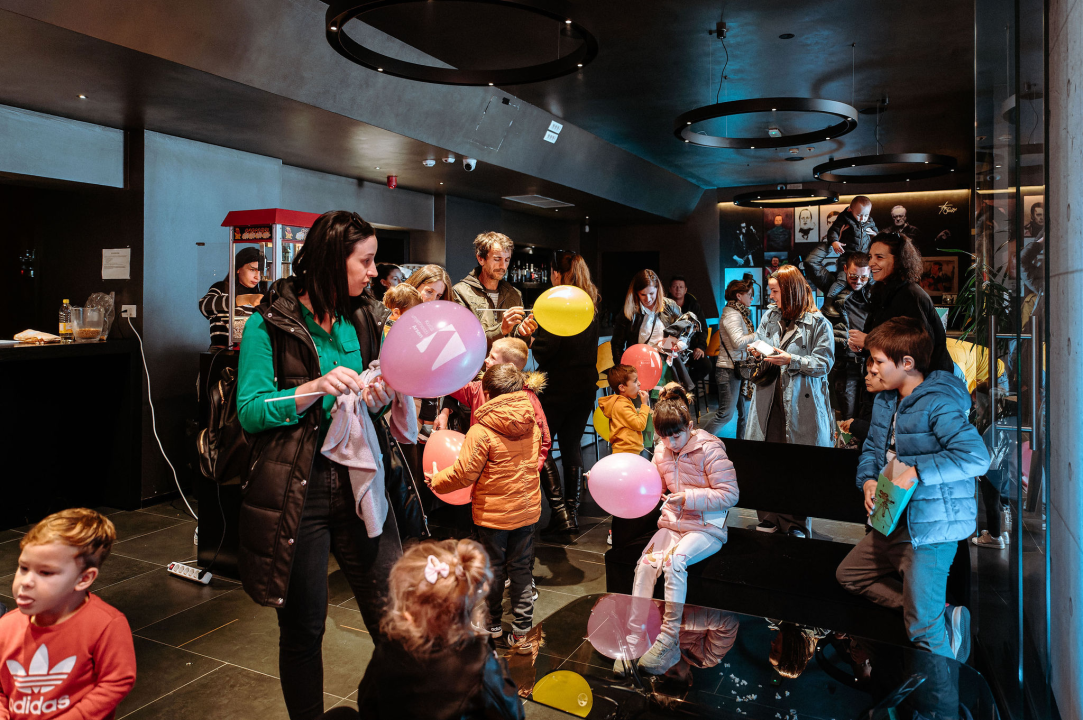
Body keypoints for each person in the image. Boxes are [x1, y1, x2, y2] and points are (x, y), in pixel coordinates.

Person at [236, 211, 402, 720]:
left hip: (360, 483)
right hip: (298, 490)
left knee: (396, 624)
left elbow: (371, 400)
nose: (373, 272)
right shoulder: (267, 325)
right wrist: (309, 389)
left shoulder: (364, 318)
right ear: (333, 259)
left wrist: (380, 399)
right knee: (303, 629)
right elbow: (250, 412)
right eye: (365, 261)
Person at [836, 318, 990, 661]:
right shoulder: (886, 400)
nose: (870, 368)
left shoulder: (938, 402)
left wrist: (917, 471)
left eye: (878, 361)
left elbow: (977, 457)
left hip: (931, 527)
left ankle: (946, 688)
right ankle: (937, 612)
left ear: (907, 363)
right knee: (849, 576)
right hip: (893, 519)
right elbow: (872, 449)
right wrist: (869, 480)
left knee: (921, 630)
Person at [616, 384, 739, 676]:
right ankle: (635, 638)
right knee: (646, 564)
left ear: (689, 426)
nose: (671, 442)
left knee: (675, 562)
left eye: (676, 435)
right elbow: (653, 485)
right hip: (673, 523)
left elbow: (730, 494)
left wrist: (688, 498)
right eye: (664, 436)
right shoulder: (661, 451)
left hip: (706, 527)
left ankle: (668, 639)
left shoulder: (709, 449)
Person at [428, 364, 542, 654]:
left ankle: (492, 625)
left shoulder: (480, 430)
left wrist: (437, 480)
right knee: (521, 570)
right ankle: (522, 633)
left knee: (493, 569)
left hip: (493, 514)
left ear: (487, 394)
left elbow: (465, 473)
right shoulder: (532, 422)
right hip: (527, 509)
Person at [350, 539, 524, 720]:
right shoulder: (478, 663)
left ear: (407, 613)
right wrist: (499, 664)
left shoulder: (388, 649)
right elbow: (513, 714)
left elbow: (366, 705)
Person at [1, 509, 136, 719]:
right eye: (24, 568)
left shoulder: (106, 624)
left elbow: (117, 681)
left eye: (46, 572)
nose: (25, 582)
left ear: (84, 579)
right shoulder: (5, 626)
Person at [746, 266, 834, 537]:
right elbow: (761, 344)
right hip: (768, 400)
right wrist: (757, 352)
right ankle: (768, 517)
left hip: (800, 403)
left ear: (790, 290)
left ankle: (795, 521)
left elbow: (824, 363)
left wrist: (791, 360)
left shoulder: (818, 323)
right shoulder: (769, 316)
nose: (771, 297)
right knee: (767, 461)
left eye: (775, 291)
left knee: (797, 465)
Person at [845, 233, 954, 443]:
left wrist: (869, 341)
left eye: (880, 257)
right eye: (870, 257)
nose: (872, 263)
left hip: (916, 395)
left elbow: (919, 348)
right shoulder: (883, 291)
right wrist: (865, 347)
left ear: (899, 260)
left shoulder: (910, 295)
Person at [528, 252, 601, 537]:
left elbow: (547, 349)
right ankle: (571, 512)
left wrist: (530, 338)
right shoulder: (590, 302)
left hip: (557, 386)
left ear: (558, 274)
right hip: (584, 386)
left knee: (540, 445)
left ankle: (560, 512)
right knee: (571, 446)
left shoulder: (558, 303)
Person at [452, 232, 537, 350]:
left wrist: (523, 333)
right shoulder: (460, 293)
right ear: (481, 259)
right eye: (497, 259)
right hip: (478, 362)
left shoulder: (514, 294)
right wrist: (501, 329)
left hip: (507, 362)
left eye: (507, 260)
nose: (503, 266)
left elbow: (518, 344)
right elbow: (462, 340)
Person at [704, 278, 756, 439]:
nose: (752, 298)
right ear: (739, 296)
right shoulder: (732, 314)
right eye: (749, 294)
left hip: (738, 368)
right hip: (728, 370)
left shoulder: (739, 313)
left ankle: (742, 446)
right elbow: (738, 342)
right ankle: (697, 441)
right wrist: (758, 335)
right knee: (725, 414)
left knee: (745, 413)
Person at [823, 253, 872, 421]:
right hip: (846, 363)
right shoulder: (835, 287)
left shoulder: (877, 293)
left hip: (871, 364)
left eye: (863, 277)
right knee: (847, 418)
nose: (858, 281)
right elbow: (810, 263)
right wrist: (832, 242)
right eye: (853, 276)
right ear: (845, 269)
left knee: (869, 418)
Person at [199, 245, 266, 347]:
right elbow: (204, 306)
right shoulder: (222, 288)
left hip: (251, 351)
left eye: (261, 272)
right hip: (222, 352)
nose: (257, 277)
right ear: (238, 268)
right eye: (252, 270)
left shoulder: (261, 296)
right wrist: (245, 299)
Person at [611, 269, 681, 359]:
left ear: (657, 289)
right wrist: (624, 366)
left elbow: (686, 331)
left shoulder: (670, 306)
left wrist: (675, 342)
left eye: (651, 293)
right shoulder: (628, 310)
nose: (648, 299)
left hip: (666, 362)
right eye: (643, 294)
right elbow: (617, 345)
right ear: (636, 293)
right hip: (638, 362)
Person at [598, 364, 652, 458]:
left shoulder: (624, 401)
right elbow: (640, 425)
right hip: (625, 453)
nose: (639, 383)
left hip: (629, 451)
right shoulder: (621, 405)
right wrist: (644, 404)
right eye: (635, 381)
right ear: (622, 387)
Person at [668, 275, 711, 384]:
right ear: (670, 289)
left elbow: (703, 328)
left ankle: (685, 385)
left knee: (706, 365)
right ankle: (672, 387)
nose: (678, 289)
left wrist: (700, 347)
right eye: (675, 286)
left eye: (681, 287)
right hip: (668, 347)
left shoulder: (694, 306)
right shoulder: (664, 306)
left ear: (686, 290)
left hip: (689, 348)